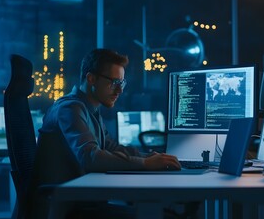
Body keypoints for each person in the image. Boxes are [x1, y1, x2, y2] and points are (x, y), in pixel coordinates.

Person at [32, 48, 183, 218]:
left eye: (122, 83)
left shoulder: (91, 110)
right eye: (114, 83)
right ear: (91, 78)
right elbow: (91, 157)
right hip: (67, 209)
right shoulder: (69, 109)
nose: (120, 91)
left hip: (83, 202)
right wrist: (146, 164)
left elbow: (111, 147)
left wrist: (151, 157)